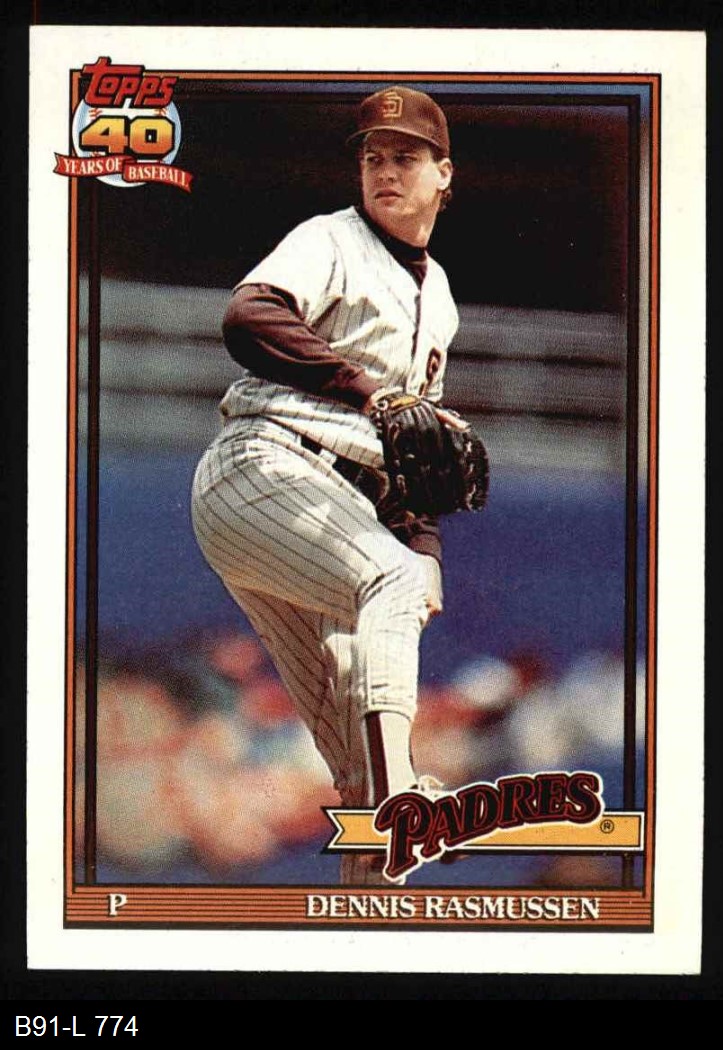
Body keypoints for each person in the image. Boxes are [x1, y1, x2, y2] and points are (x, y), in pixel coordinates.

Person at [191, 86, 460, 885]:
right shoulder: (331, 238)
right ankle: (402, 795)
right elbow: (250, 315)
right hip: (263, 468)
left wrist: (426, 544)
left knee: (356, 774)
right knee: (390, 580)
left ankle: (371, 892)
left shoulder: (440, 298)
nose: (385, 170)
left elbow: (410, 450)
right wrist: (367, 392)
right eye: (373, 157)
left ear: (443, 174)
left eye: (405, 156)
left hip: (332, 510)